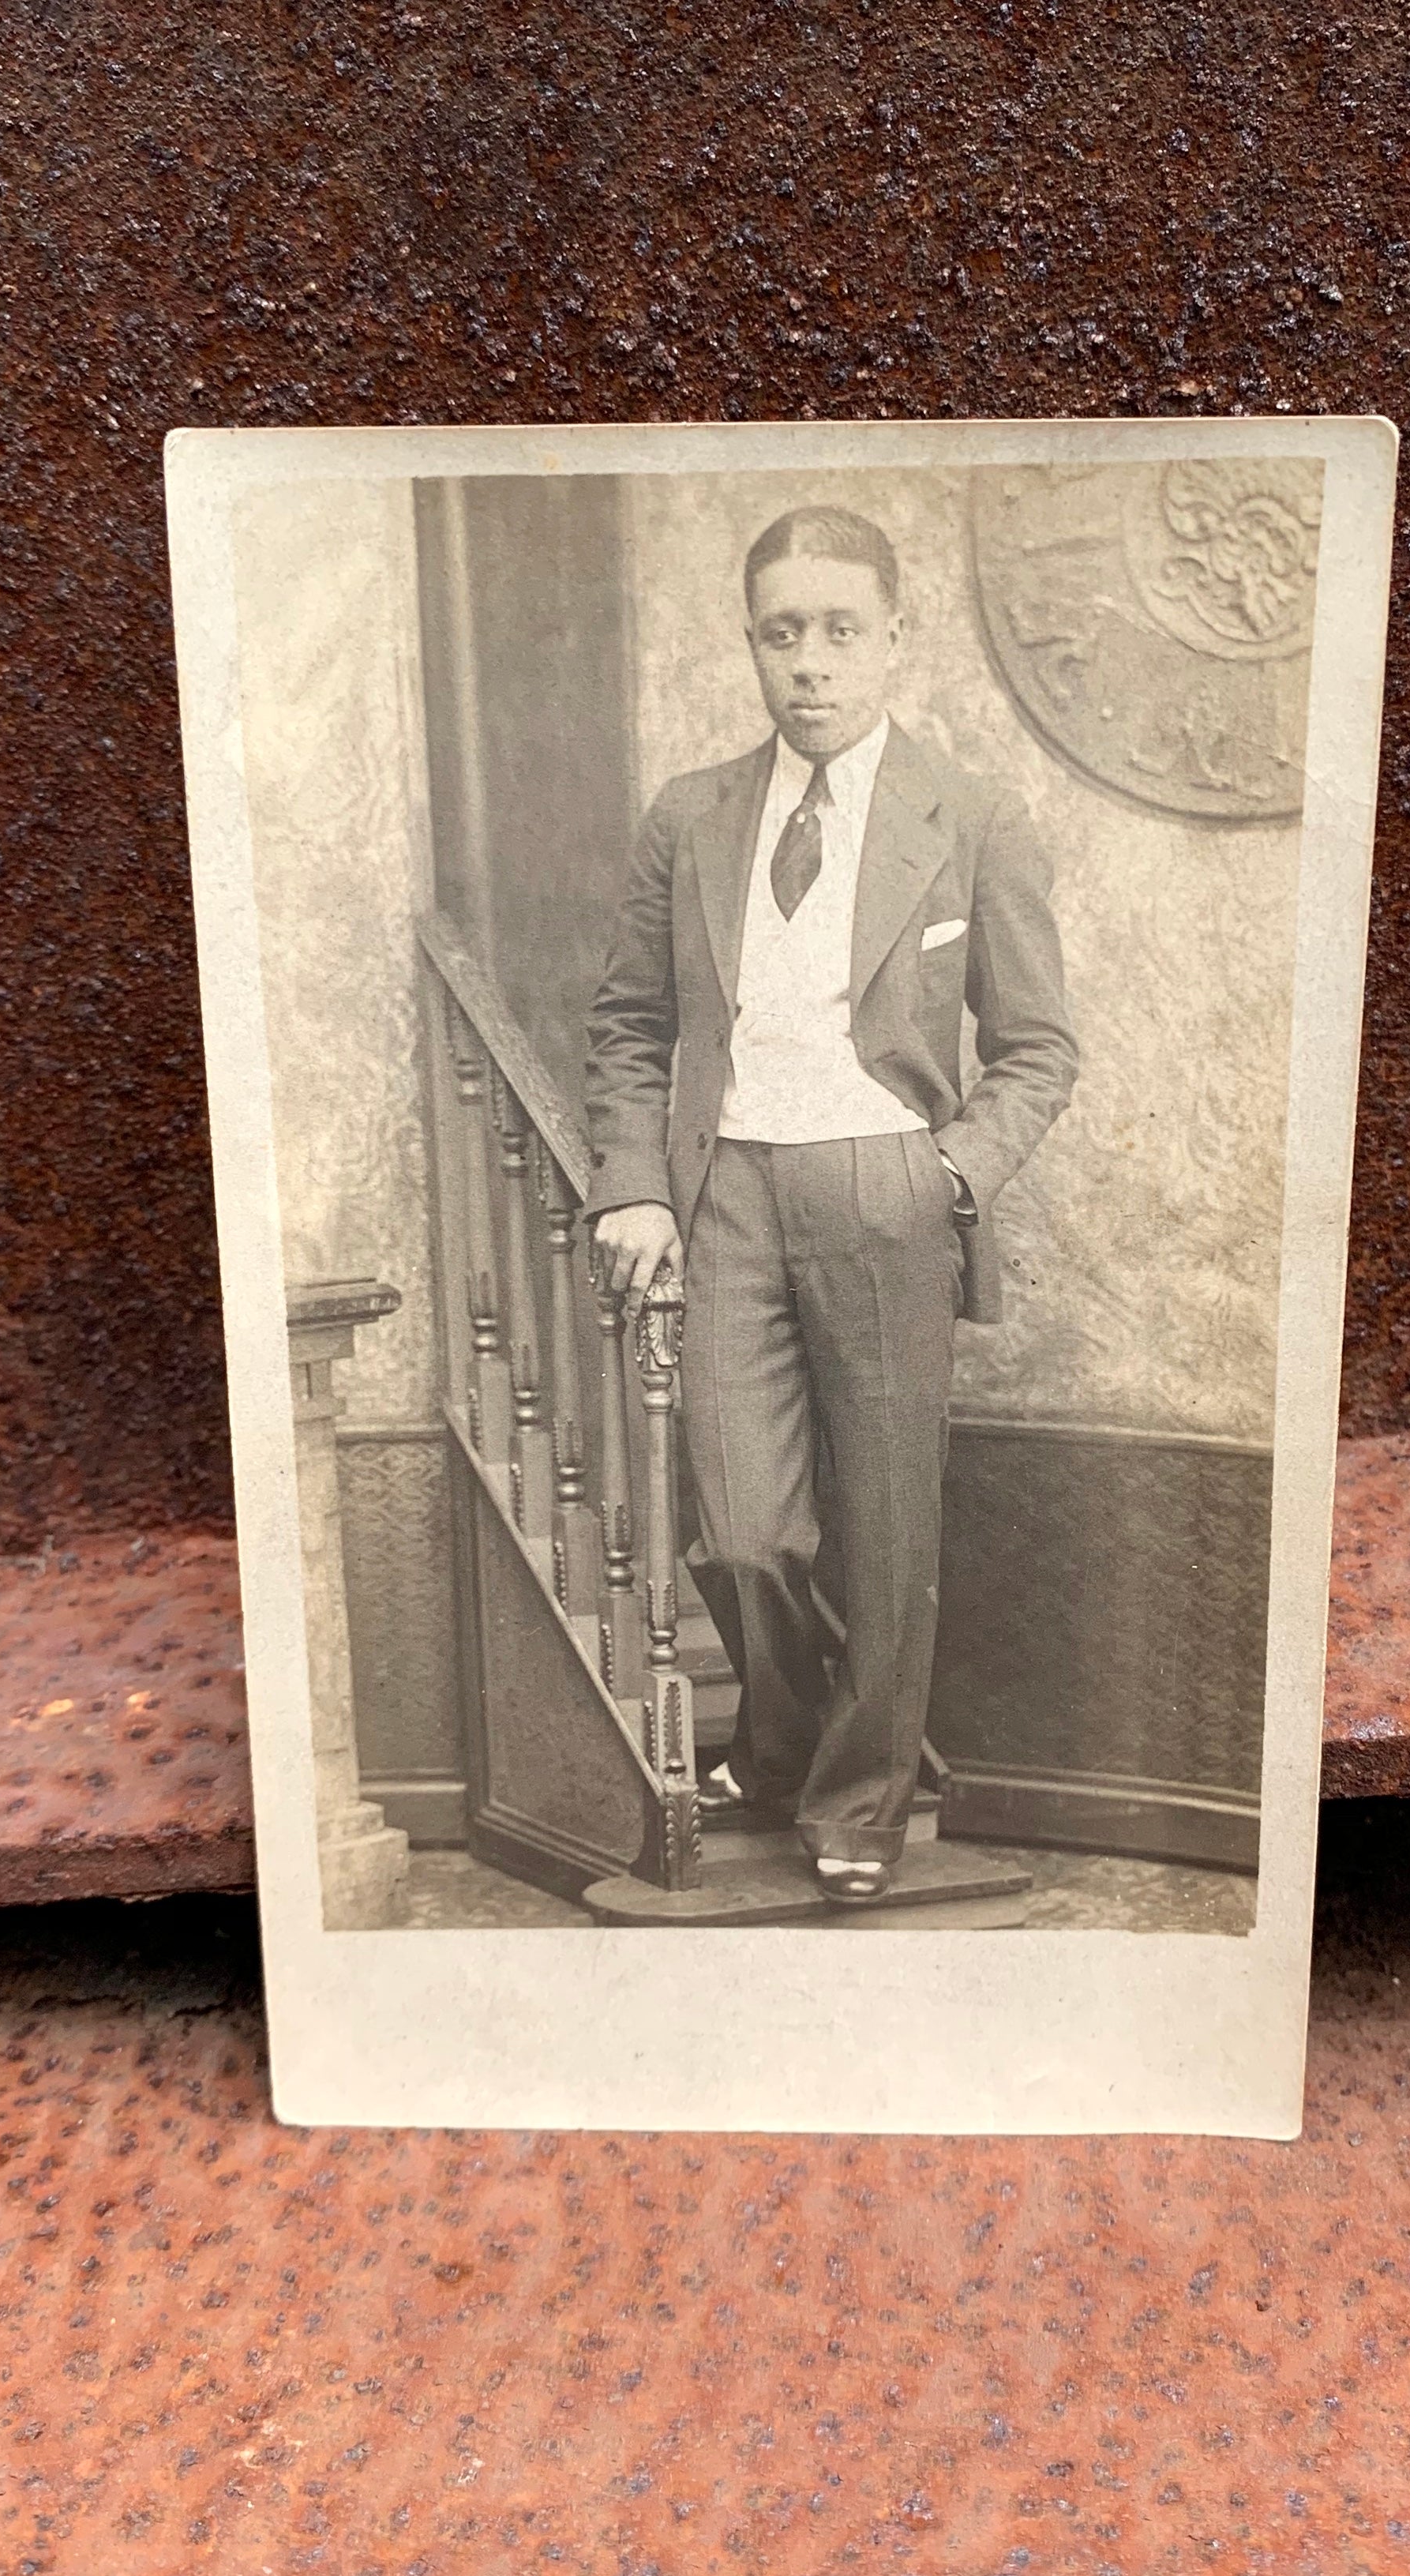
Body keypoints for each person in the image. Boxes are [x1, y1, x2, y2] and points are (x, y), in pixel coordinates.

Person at [586, 504, 1078, 1905]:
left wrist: (949, 1172)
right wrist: (634, 1186)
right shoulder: (690, 814)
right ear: (751, 646)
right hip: (725, 1187)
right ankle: (799, 1741)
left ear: (894, 641)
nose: (809, 662)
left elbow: (1038, 1049)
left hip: (886, 1192)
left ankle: (861, 1797)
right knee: (740, 1527)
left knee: (886, 1527)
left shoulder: (972, 817)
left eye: (840, 631)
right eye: (780, 632)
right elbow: (628, 1024)